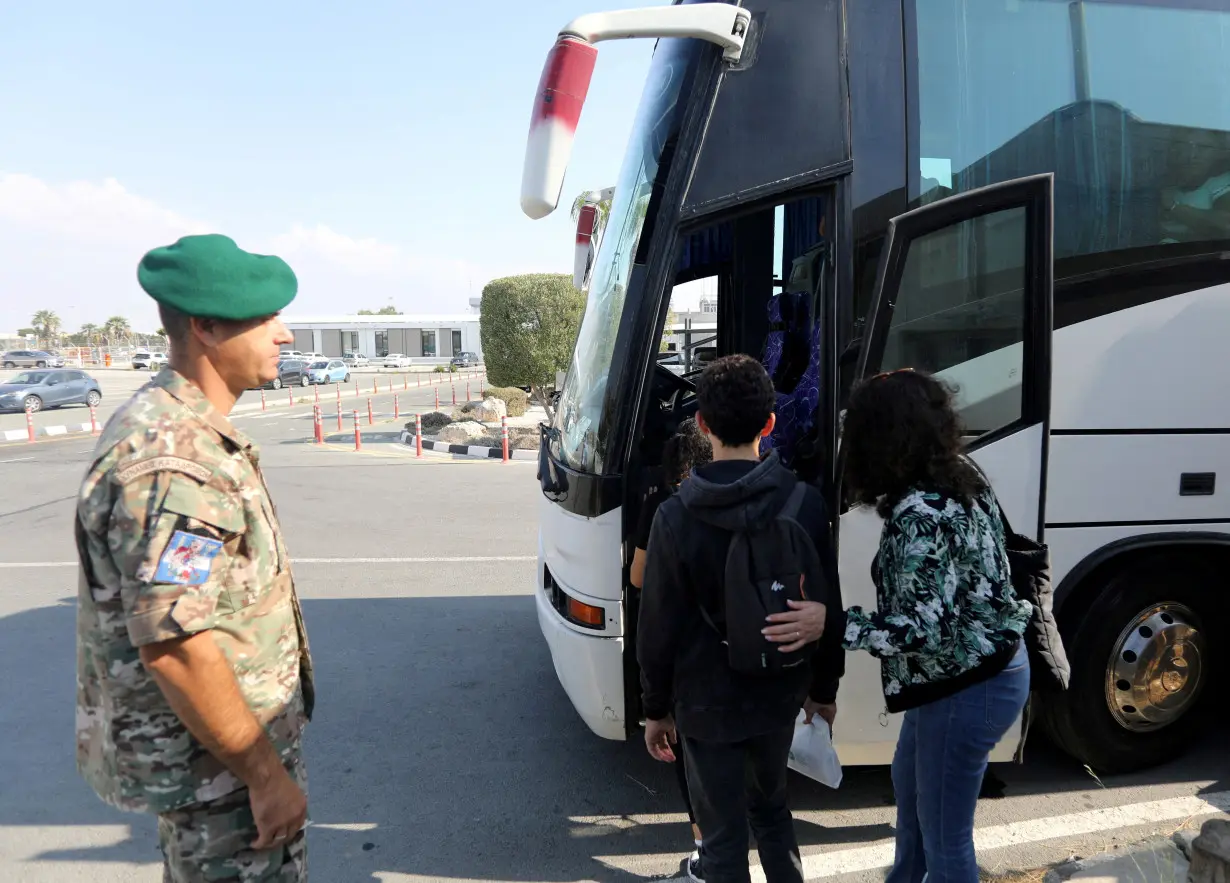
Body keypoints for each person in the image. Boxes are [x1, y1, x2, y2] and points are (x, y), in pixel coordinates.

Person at [75, 233, 315, 882]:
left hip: (220, 762)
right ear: (205, 328)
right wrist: (264, 776)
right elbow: (177, 641)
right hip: (221, 776)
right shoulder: (175, 458)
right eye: (264, 318)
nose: (284, 334)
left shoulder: (184, 430)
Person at [637, 354, 845, 883]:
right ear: (770, 424)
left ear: (702, 425)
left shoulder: (675, 515)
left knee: (723, 837)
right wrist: (824, 689)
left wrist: (656, 709)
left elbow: (657, 623)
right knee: (773, 813)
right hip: (780, 693)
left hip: (705, 702)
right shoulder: (804, 502)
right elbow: (827, 604)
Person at [839, 369, 1032, 883]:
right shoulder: (961, 474)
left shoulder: (919, 513)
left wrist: (837, 625)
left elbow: (922, 632)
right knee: (912, 790)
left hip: (965, 686)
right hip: (978, 673)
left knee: (945, 839)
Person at [629, 418, 713, 881]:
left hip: (688, 662)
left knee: (694, 766)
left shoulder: (664, 504)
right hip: (742, 659)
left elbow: (639, 579)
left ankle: (705, 854)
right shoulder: (751, 496)